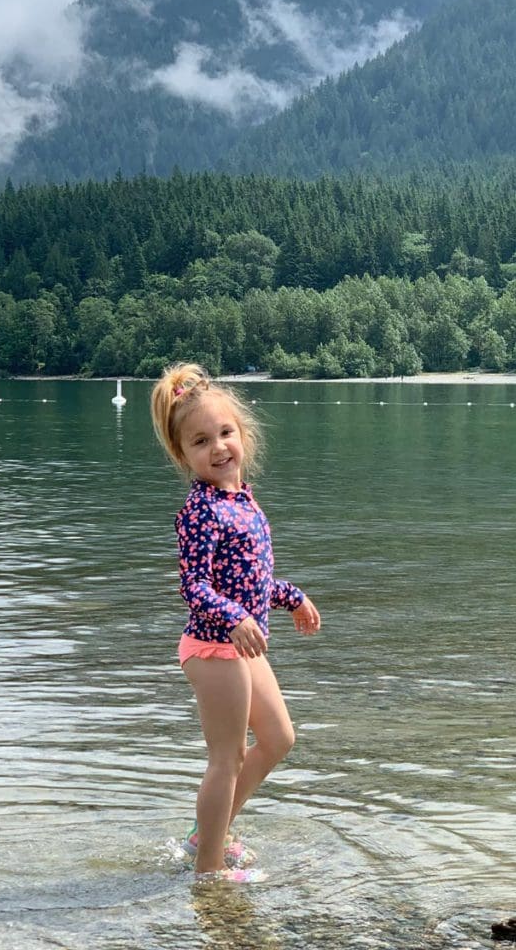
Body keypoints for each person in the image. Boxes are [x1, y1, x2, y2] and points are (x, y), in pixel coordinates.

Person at [150, 363, 321, 882]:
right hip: (211, 648)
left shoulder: (243, 501)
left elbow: (250, 579)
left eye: (225, 433)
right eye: (201, 441)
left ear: (242, 434)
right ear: (184, 454)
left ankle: (211, 835)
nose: (218, 446)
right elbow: (195, 588)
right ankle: (208, 871)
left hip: (243, 643)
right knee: (225, 758)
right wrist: (234, 617)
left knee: (279, 739)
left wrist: (290, 597)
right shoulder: (200, 509)